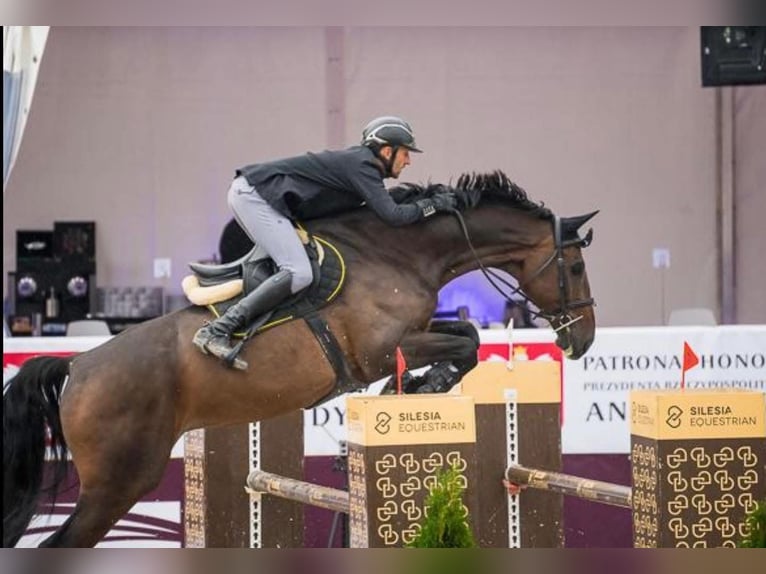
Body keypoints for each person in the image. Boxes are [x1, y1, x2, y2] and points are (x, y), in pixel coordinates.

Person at [193, 115, 458, 367]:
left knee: (298, 269)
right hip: (255, 196)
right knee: (299, 273)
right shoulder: (364, 166)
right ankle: (218, 330)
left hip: (259, 196)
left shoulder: (361, 167)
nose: (409, 161)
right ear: (387, 151)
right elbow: (393, 215)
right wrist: (433, 205)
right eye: (405, 152)